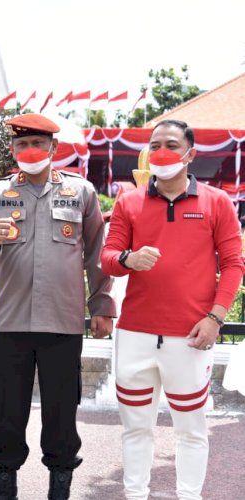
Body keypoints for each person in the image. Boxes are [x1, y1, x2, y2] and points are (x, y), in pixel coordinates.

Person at [0, 113, 115, 500]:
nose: (29, 151)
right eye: (21, 145)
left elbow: (97, 253)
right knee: (5, 412)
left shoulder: (79, 192)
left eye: (37, 144)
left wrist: (101, 305)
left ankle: (59, 488)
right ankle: (6, 490)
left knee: (61, 412)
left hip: (62, 321)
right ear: (12, 150)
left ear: (53, 148)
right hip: (11, 321)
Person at [101, 119, 245, 500]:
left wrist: (216, 318)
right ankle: (135, 494)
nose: (161, 151)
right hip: (135, 334)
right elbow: (108, 257)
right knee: (135, 427)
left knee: (191, 429)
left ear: (190, 154)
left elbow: (233, 264)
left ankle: (188, 496)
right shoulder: (129, 200)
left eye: (170, 144)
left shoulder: (217, 202)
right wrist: (129, 260)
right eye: (154, 144)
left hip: (192, 336)